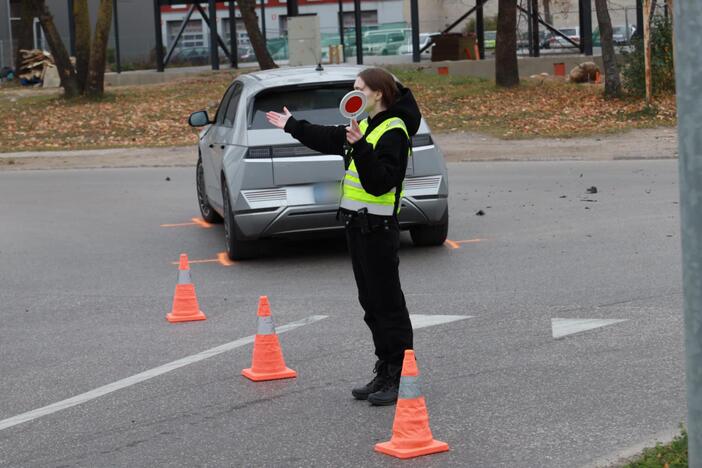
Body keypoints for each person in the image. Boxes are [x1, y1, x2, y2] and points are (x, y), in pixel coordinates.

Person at [266, 67, 421, 406]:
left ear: (378, 93)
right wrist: (293, 126)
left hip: (379, 230)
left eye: (359, 88)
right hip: (357, 227)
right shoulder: (364, 125)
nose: (354, 93)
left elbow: (381, 182)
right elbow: (327, 137)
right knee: (371, 305)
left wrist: (361, 148)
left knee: (388, 305)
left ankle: (401, 374)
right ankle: (385, 368)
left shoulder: (393, 131)